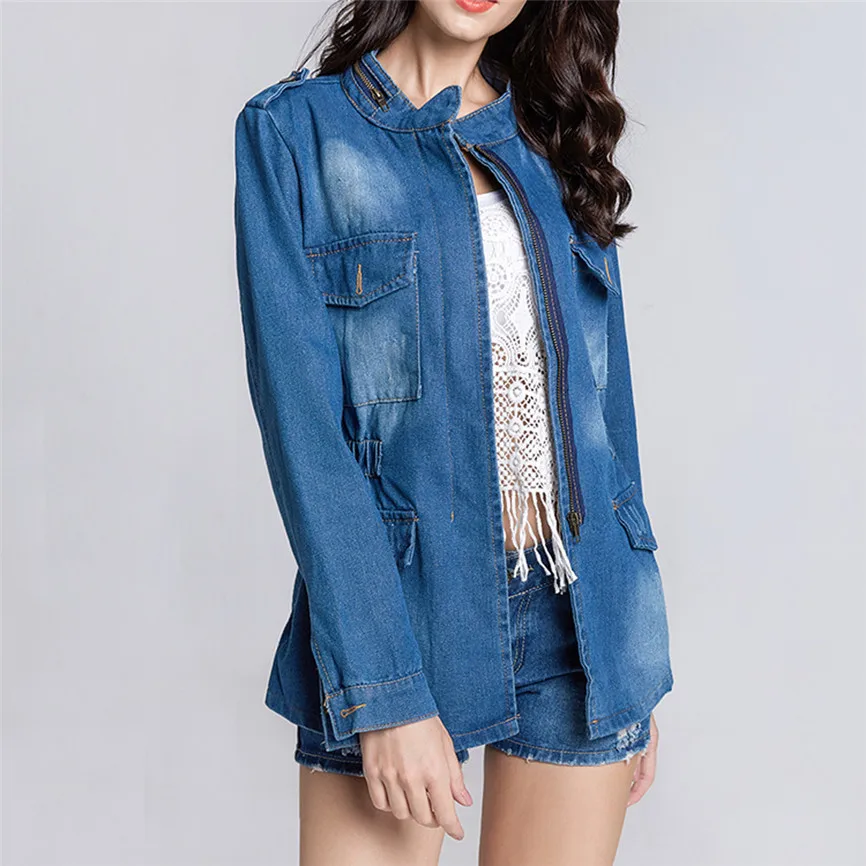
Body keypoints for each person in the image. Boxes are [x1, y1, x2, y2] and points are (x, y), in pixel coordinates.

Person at [233, 1, 674, 863]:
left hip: (580, 620)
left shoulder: (553, 134)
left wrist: (628, 658)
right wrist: (385, 687)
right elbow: (306, 439)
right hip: (401, 610)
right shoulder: (294, 134)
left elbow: (603, 407)